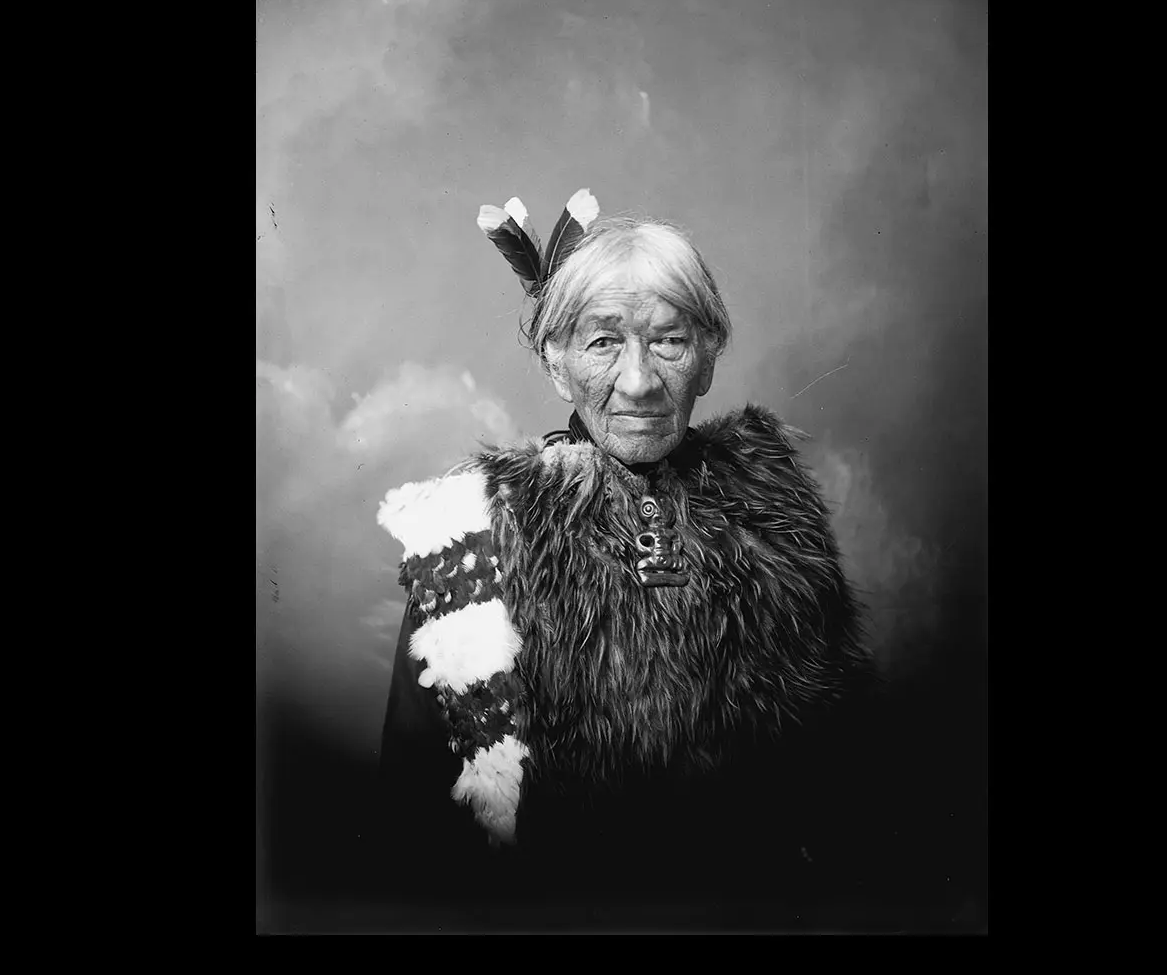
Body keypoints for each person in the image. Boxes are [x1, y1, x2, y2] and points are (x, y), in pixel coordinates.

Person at [372, 190, 878, 922]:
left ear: (708, 358)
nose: (638, 382)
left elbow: (844, 790)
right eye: (603, 342)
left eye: (668, 341)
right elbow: (413, 820)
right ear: (557, 363)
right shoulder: (473, 531)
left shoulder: (778, 517)